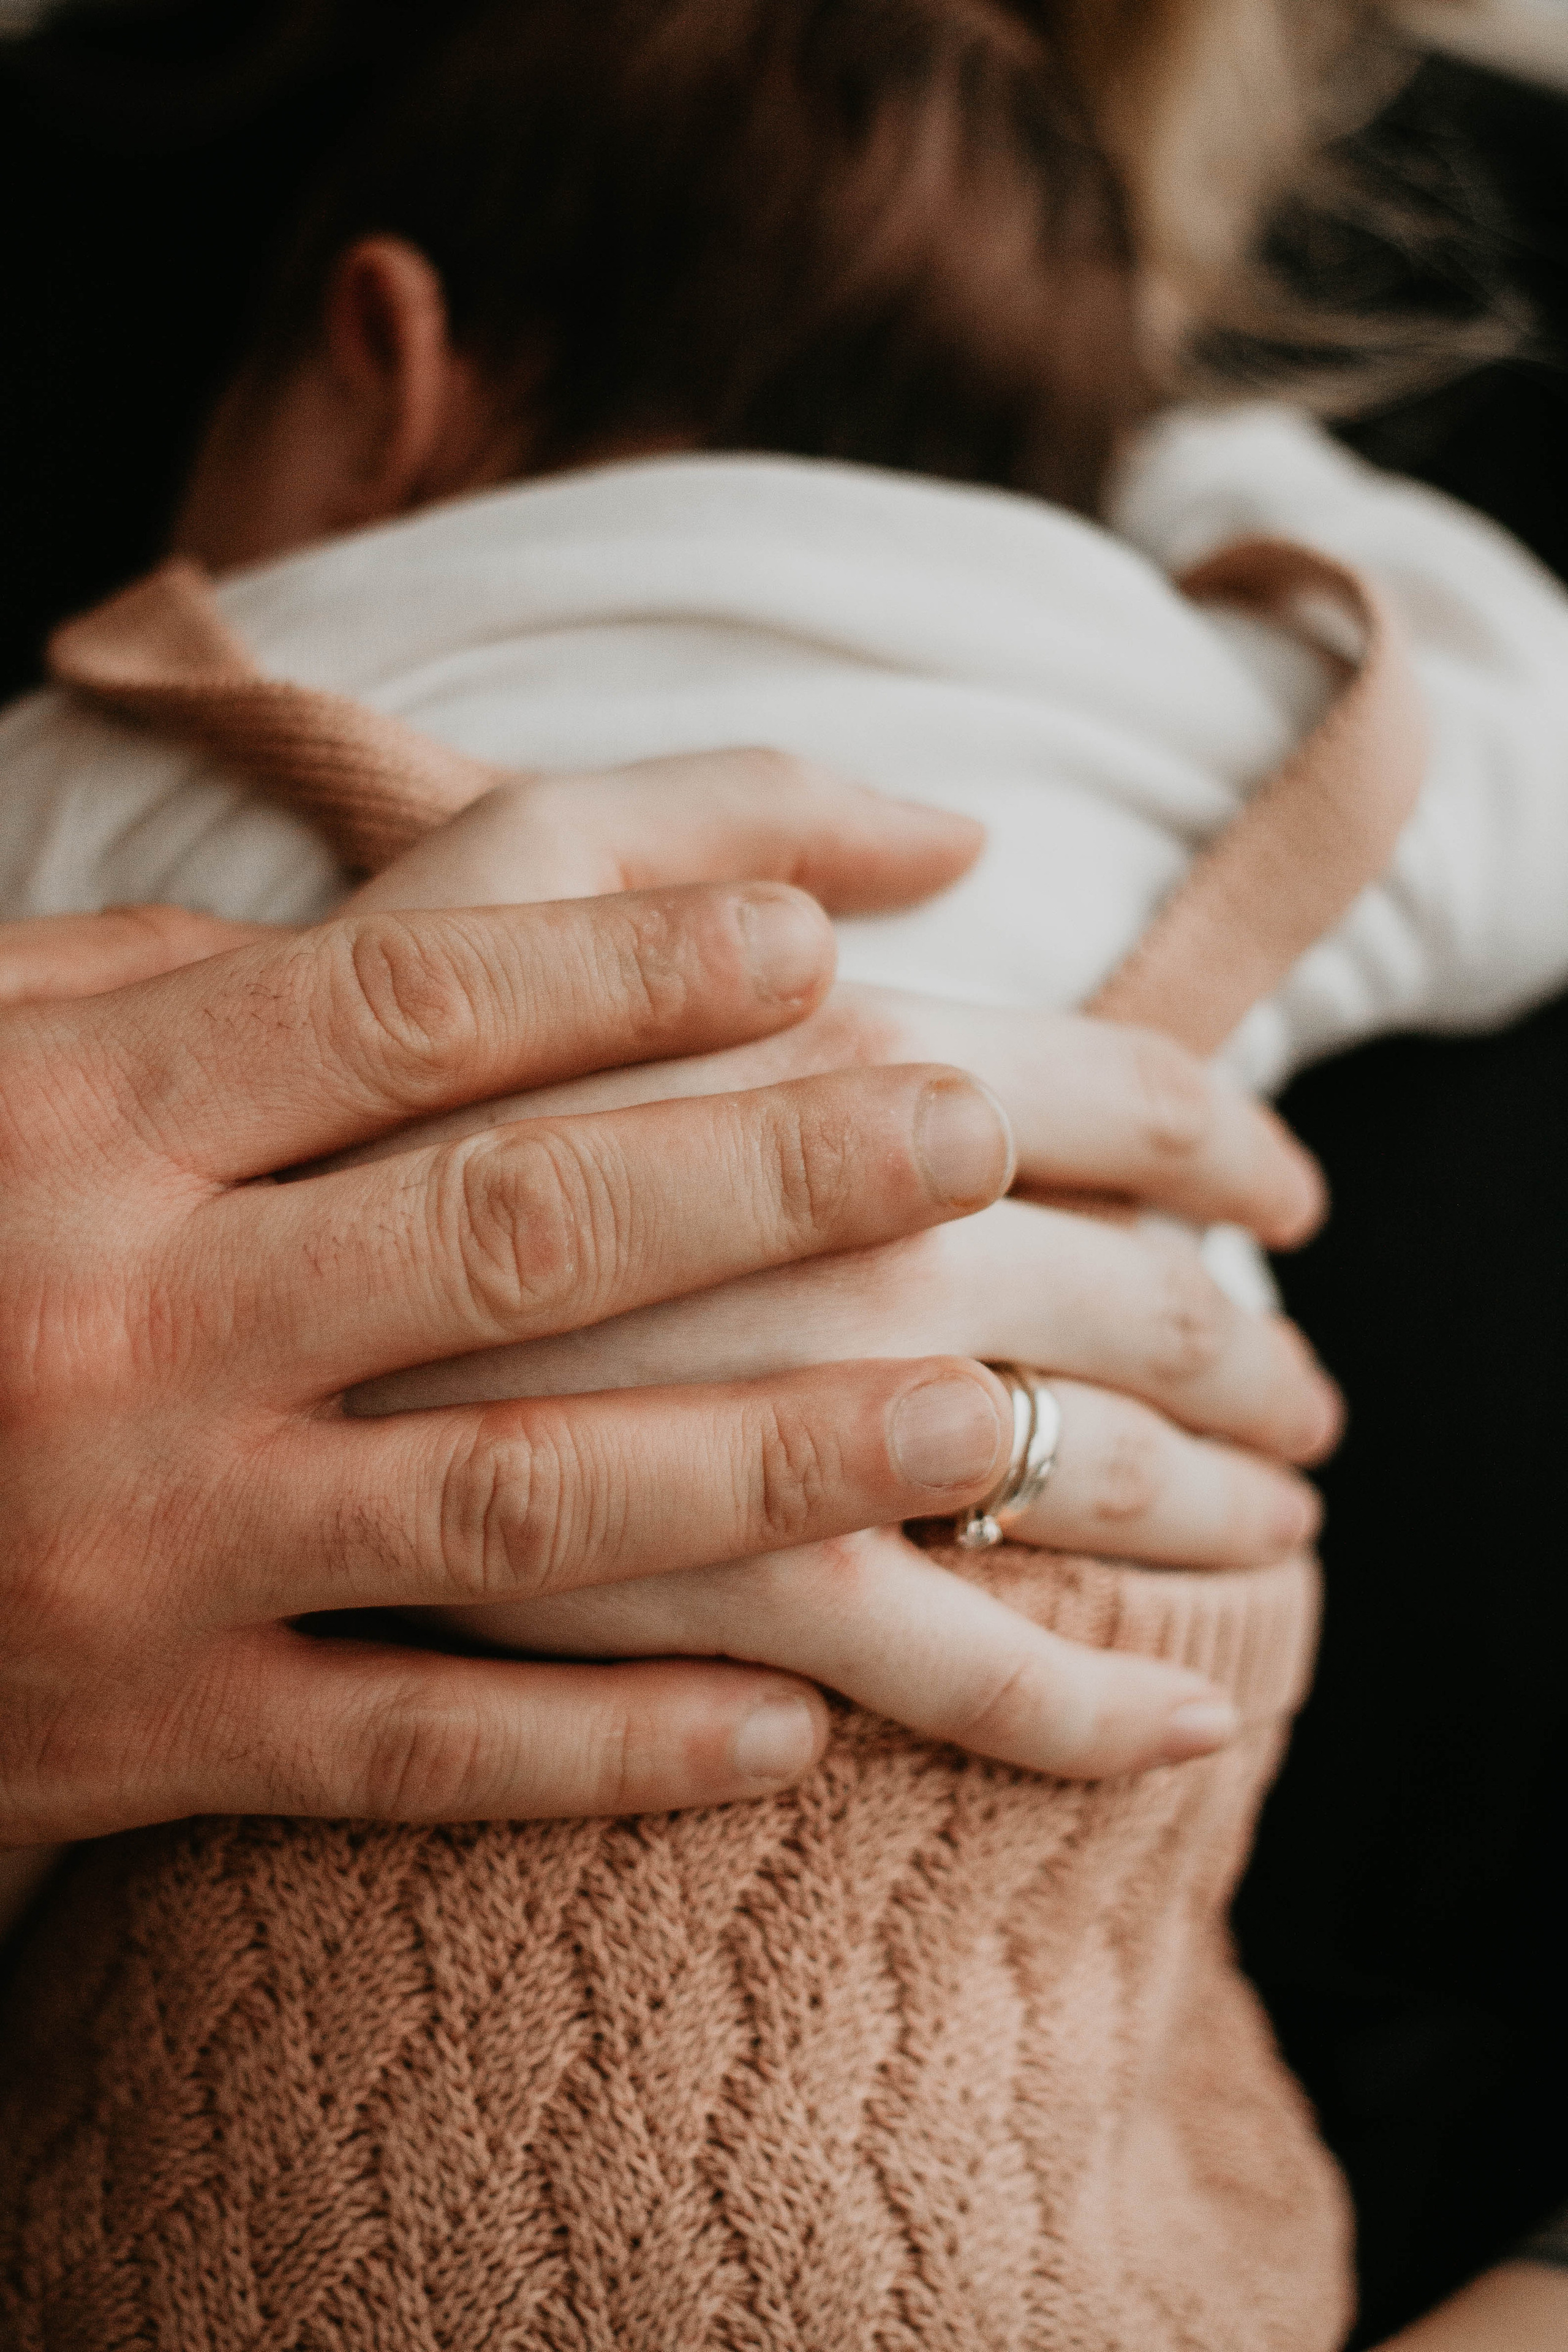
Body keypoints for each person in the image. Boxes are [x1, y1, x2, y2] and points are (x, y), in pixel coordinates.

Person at [4, 1, 1564, 2343]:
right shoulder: (1178, 702)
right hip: (1015, 1794)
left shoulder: (167, 690)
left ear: (374, 367)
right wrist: (1203, 479)